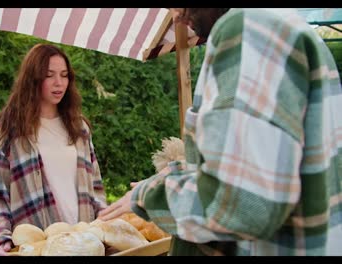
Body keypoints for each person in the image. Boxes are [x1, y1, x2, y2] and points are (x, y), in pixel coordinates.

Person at [98, 8, 342, 256]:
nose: (177, 16)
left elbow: (242, 203)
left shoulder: (248, 29)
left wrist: (148, 196)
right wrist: (175, 177)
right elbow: (267, 171)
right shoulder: (286, 27)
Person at [0, 43, 107, 256]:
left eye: (64, 75)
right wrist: (0, 237)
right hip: (37, 248)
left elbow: (96, 187)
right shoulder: (11, 129)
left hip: (83, 244)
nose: (59, 83)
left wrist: (103, 222)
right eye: (49, 75)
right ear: (33, 78)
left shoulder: (79, 128)